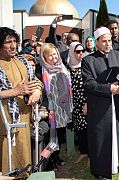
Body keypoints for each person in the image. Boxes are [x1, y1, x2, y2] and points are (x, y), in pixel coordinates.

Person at [82, 27, 119, 179]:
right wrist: (108, 88)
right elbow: (88, 83)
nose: (107, 44)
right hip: (100, 105)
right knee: (100, 136)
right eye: (104, 41)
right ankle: (100, 170)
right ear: (97, 43)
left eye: (109, 40)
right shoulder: (88, 60)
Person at [0, 27, 42, 177]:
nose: (13, 45)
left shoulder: (22, 61)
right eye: (8, 42)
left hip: (24, 120)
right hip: (4, 124)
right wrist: (15, 92)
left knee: (24, 162)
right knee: (6, 165)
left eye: (15, 41)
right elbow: (17, 90)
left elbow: (36, 82)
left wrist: (36, 92)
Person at [39, 43, 73, 171]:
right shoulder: (41, 70)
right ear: (44, 57)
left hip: (62, 108)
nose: (53, 58)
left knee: (59, 134)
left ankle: (56, 157)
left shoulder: (62, 67)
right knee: (50, 137)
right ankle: (48, 162)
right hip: (50, 110)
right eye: (50, 56)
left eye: (55, 54)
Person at [67, 42, 88, 164]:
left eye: (82, 51)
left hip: (86, 102)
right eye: (78, 51)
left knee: (88, 129)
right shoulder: (67, 68)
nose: (81, 54)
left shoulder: (86, 65)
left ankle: (91, 154)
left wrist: (87, 102)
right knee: (80, 129)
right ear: (72, 52)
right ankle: (83, 152)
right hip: (74, 104)